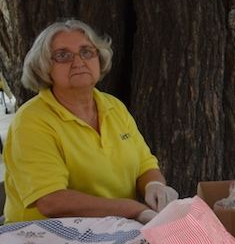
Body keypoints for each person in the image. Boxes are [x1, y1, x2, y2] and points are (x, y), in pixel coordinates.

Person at [4, 20, 178, 224]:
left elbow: (144, 164)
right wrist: (133, 209)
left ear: (99, 58)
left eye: (87, 52)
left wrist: (154, 186)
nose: (78, 62)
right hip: (46, 242)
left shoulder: (113, 106)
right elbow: (52, 201)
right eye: (63, 55)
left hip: (115, 228)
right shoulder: (31, 121)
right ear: (44, 67)